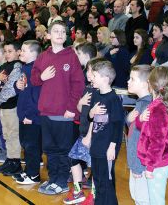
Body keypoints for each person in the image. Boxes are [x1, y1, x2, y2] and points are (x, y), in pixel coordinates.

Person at [31, 21, 85, 195]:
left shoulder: (71, 56)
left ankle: (61, 181)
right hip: (46, 111)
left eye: (63, 31)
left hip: (64, 113)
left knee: (63, 150)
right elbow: (34, 79)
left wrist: (71, 108)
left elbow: (78, 85)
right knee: (49, 149)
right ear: (48, 35)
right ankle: (53, 179)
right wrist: (42, 76)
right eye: (56, 31)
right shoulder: (43, 56)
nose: (60, 34)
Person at [136, 66, 168, 205]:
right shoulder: (157, 105)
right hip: (157, 164)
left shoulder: (158, 108)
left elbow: (158, 142)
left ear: (150, 85)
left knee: (156, 201)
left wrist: (150, 167)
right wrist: (140, 119)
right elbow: (146, 129)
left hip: (157, 165)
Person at [63, 57, 102, 205]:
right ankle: (78, 191)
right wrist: (80, 102)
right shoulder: (88, 89)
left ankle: (94, 195)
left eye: (91, 70)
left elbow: (98, 116)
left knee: (95, 166)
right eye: (88, 70)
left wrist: (90, 136)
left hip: (94, 136)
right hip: (84, 133)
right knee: (73, 159)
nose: (88, 73)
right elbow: (80, 111)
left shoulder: (101, 92)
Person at [89, 60, 124, 205]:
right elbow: (90, 117)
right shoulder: (96, 94)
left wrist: (112, 146)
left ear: (105, 79)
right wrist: (92, 112)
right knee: (97, 178)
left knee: (106, 179)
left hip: (107, 147)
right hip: (96, 145)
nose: (91, 78)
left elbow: (118, 125)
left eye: (94, 75)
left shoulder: (113, 99)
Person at [13, 40, 43, 185]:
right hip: (24, 114)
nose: (20, 52)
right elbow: (24, 90)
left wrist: (31, 116)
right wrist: (17, 86)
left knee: (32, 146)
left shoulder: (35, 71)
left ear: (33, 53)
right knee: (25, 144)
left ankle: (34, 174)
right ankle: (28, 171)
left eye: (24, 50)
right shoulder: (26, 68)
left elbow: (36, 96)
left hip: (32, 117)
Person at [0, 41, 23, 176]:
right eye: (5, 51)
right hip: (4, 105)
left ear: (18, 52)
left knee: (13, 134)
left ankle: (15, 162)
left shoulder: (17, 67)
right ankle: (9, 158)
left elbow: (11, 88)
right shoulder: (4, 65)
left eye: (10, 51)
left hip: (12, 105)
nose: (7, 54)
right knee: (6, 134)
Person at [126, 65, 153, 205]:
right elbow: (132, 124)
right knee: (137, 196)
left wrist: (137, 165)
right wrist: (130, 118)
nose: (128, 81)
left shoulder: (148, 105)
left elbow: (142, 140)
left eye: (132, 79)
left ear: (144, 84)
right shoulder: (141, 103)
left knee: (142, 199)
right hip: (136, 161)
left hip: (140, 163)